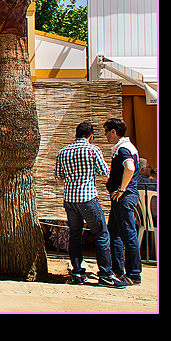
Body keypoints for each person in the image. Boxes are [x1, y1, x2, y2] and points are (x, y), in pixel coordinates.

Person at [54, 122, 125, 288]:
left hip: (70, 200)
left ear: (76, 135)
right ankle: (106, 274)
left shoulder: (62, 152)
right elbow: (105, 174)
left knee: (75, 235)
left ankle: (77, 272)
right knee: (101, 234)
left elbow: (58, 178)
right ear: (91, 136)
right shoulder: (93, 150)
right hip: (88, 198)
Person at [103, 118, 142, 285]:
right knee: (115, 234)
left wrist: (121, 188)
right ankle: (117, 270)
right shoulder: (125, 147)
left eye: (106, 131)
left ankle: (133, 274)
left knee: (128, 236)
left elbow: (130, 167)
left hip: (124, 198)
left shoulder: (123, 149)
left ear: (113, 132)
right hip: (121, 199)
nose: (105, 135)